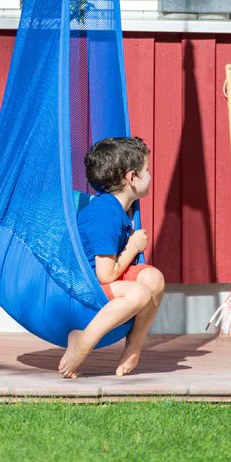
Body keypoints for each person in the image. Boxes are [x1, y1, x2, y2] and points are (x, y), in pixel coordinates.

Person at [58, 136, 165, 378]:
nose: (149, 176)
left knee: (154, 279)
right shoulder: (105, 214)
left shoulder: (118, 207)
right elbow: (104, 275)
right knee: (139, 293)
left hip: (102, 279)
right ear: (131, 178)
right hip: (83, 286)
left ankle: (134, 347)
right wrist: (133, 246)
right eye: (146, 170)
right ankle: (82, 341)